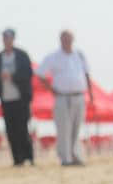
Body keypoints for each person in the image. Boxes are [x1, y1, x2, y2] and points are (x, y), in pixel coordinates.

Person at [36, 30, 94, 166]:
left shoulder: (79, 55)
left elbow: (86, 74)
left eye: (69, 39)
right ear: (60, 40)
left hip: (79, 96)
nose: (67, 42)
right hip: (62, 97)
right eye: (64, 39)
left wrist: (91, 95)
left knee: (76, 128)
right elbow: (40, 73)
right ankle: (65, 158)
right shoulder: (54, 57)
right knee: (64, 128)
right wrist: (51, 89)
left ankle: (75, 155)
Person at [0, 28, 34, 166]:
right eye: (4, 37)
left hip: (21, 99)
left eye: (8, 37)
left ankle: (29, 157)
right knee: (10, 130)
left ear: (13, 39)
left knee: (22, 128)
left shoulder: (22, 55)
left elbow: (28, 74)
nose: (6, 40)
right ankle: (17, 159)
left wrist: (12, 76)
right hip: (6, 99)